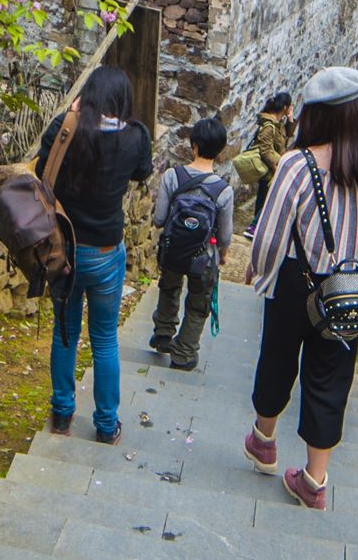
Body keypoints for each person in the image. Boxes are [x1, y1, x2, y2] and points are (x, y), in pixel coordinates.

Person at [242, 66, 358, 510]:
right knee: (331, 380)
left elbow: (271, 235)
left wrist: (261, 273)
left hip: (296, 283)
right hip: (350, 291)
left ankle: (264, 441)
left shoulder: (297, 164)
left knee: (277, 358)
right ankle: (314, 479)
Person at [34, 65, 152, 444]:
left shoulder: (65, 130)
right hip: (105, 252)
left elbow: (40, 171)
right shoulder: (135, 137)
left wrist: (69, 115)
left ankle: (62, 415)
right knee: (104, 340)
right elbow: (142, 172)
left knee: (65, 334)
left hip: (63, 253)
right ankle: (105, 425)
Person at [148, 116, 236, 372]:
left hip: (173, 250)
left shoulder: (172, 177)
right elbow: (225, 235)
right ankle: (184, 353)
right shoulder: (223, 190)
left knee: (169, 287)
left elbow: (159, 219)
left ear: (193, 144)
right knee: (199, 303)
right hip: (203, 256)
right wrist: (224, 255)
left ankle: (163, 334)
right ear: (220, 150)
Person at [242, 91, 293, 237]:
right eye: (289, 107)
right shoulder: (269, 125)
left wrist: (290, 120)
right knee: (265, 199)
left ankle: (256, 227)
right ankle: (253, 227)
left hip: (273, 169)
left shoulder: (279, 124)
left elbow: (288, 135)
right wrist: (277, 167)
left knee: (265, 198)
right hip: (269, 170)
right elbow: (265, 149)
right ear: (285, 107)